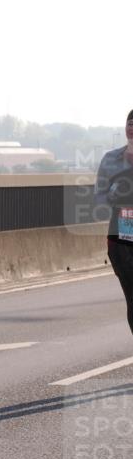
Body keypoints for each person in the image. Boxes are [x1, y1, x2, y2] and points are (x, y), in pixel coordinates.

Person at [95, 108, 133, 337]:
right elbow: (98, 197)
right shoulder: (110, 159)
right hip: (122, 235)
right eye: (131, 122)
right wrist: (112, 195)